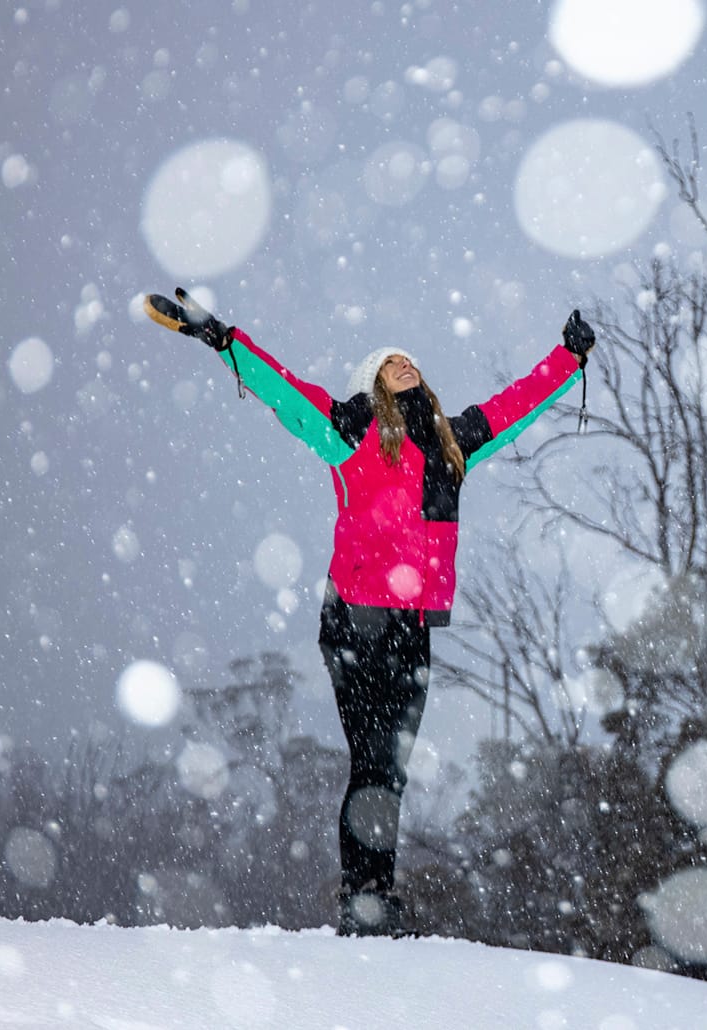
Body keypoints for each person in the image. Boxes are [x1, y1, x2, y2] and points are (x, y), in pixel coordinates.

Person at [144, 288, 595, 934]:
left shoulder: (451, 443)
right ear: (370, 381)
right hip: (355, 620)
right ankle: (367, 902)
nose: (404, 364)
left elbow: (515, 405)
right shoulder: (349, 429)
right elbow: (283, 390)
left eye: (409, 361)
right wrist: (220, 337)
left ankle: (374, 898)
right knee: (374, 763)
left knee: (391, 771)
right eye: (390, 362)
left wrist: (568, 358)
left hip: (412, 628)